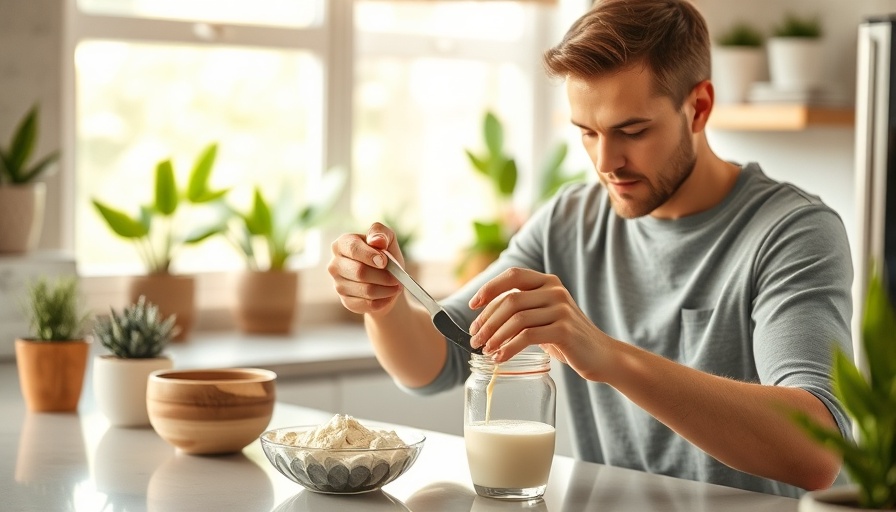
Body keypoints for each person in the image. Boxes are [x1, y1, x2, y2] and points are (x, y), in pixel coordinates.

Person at [327, 0, 852, 498]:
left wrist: (606, 356)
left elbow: (816, 451)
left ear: (699, 107)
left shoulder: (792, 231)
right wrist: (384, 303)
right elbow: (437, 362)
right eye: (587, 132)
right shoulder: (569, 220)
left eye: (632, 130)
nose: (607, 162)